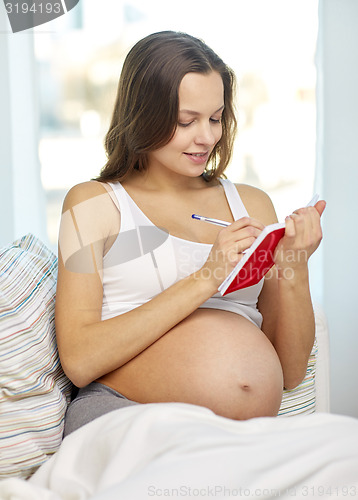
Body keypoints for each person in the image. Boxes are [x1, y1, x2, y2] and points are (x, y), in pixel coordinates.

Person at [56, 31, 325, 436]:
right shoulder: (93, 204)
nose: (207, 137)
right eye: (186, 121)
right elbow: (79, 361)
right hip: (126, 418)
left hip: (240, 437)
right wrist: (207, 275)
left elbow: (288, 372)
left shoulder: (251, 203)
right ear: (143, 113)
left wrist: (295, 265)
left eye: (216, 118)